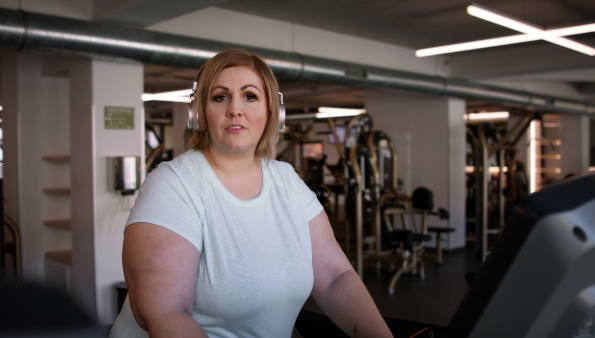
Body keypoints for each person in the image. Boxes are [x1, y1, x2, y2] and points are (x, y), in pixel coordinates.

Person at [109, 48, 393, 338]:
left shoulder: (287, 182)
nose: (235, 108)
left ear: (273, 113)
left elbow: (335, 278)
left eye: (250, 96)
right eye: (220, 97)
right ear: (200, 114)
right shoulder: (173, 185)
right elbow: (165, 314)